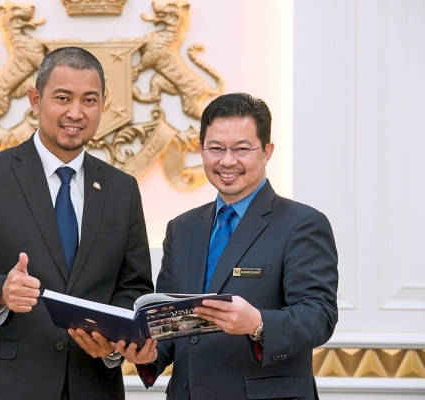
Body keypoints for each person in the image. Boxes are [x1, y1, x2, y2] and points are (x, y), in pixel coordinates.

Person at [0, 46, 154, 400]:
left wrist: (112, 342)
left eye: (89, 100)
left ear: (103, 104)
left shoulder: (122, 189)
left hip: (93, 385)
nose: (75, 112)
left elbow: (134, 285)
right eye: (62, 98)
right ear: (35, 100)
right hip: (3, 387)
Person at [116, 93, 338, 399]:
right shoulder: (182, 228)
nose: (227, 161)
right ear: (201, 150)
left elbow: (319, 316)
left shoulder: (302, 223)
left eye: (242, 149)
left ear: (266, 152)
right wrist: (148, 352)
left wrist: (258, 323)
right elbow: (170, 324)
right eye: (216, 148)